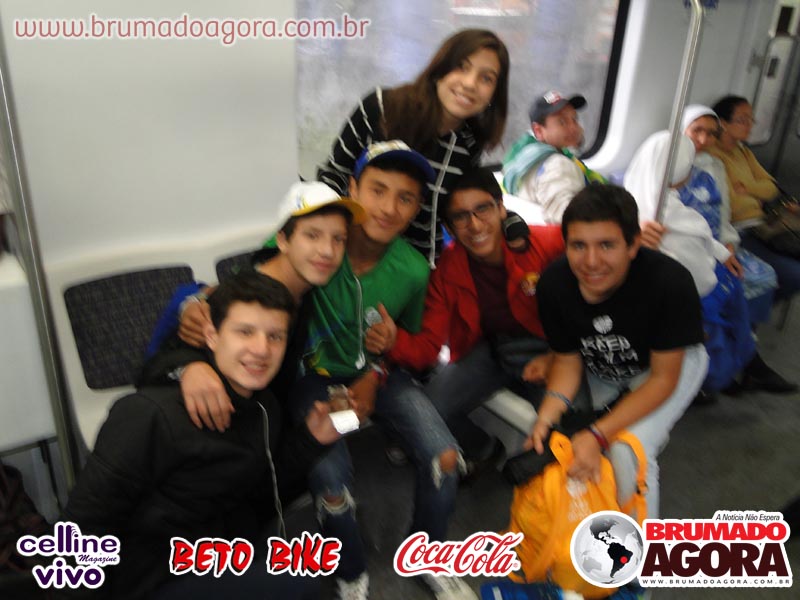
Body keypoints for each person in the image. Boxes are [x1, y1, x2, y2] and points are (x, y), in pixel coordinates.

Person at [63, 272, 342, 599]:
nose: (261, 349)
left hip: (214, 553)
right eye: (244, 332)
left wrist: (310, 439)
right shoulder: (149, 415)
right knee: (299, 585)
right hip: (149, 578)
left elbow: (260, 495)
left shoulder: (264, 409)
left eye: (275, 336)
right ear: (212, 335)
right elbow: (82, 529)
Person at [297, 141, 472, 600]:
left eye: (405, 198)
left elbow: (412, 347)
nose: (390, 208)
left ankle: (428, 553)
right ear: (352, 189)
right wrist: (194, 303)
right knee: (333, 483)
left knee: (445, 458)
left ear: (417, 208)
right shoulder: (315, 240)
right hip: (315, 377)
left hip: (380, 375)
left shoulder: (412, 270)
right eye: (377, 190)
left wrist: (381, 363)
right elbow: (259, 279)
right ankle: (350, 568)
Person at [531, 184, 708, 518]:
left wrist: (598, 434)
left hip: (669, 365)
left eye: (606, 245)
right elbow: (567, 363)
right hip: (605, 368)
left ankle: (641, 549)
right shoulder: (554, 285)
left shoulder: (670, 282)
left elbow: (662, 380)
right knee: (573, 438)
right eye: (578, 246)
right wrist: (546, 415)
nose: (591, 261)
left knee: (627, 450)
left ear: (633, 244)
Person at [139, 181, 363, 431]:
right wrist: (190, 367)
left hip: (260, 426)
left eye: (338, 239)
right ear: (283, 240)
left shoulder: (306, 291)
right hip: (206, 430)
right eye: (312, 235)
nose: (328, 250)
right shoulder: (241, 296)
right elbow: (153, 369)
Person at [381, 167, 564, 471]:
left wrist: (557, 355)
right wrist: (392, 341)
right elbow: (427, 347)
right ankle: (484, 449)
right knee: (428, 411)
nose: (475, 224)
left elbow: (596, 242)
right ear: (450, 227)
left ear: (501, 208)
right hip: (492, 350)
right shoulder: (448, 271)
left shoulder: (540, 242)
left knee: (568, 425)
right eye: (461, 216)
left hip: (551, 349)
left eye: (483, 209)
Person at [318, 28, 518, 267]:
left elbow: (459, 204)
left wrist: (505, 219)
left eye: (486, 78)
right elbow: (335, 174)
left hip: (415, 266)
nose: (470, 84)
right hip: (350, 253)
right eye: (461, 67)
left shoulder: (469, 144)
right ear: (440, 68)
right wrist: (327, 239)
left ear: (494, 94)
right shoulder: (382, 108)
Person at [624, 131, 795, 396]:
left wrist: (723, 253)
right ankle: (726, 370)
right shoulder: (670, 215)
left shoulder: (635, 197)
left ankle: (746, 362)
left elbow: (710, 232)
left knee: (733, 285)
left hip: (681, 280)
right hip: (681, 293)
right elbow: (700, 276)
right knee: (727, 293)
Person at [680, 104, 777, 324]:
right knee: (714, 283)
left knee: (763, 275)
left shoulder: (715, 166)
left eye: (711, 134)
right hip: (687, 244)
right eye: (697, 130)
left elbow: (722, 212)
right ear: (683, 130)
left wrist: (728, 244)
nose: (703, 139)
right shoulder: (669, 162)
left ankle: (741, 331)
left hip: (716, 240)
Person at [709, 95, 800, 301]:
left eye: (751, 119)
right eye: (743, 120)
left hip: (764, 224)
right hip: (741, 230)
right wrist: (755, 197)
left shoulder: (743, 152)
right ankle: (755, 310)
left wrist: (748, 188)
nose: (749, 125)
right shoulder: (713, 156)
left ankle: (760, 304)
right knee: (795, 275)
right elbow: (733, 205)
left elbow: (771, 187)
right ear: (723, 124)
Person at [502, 91, 607, 223]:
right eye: (562, 122)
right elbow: (566, 216)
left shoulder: (525, 161)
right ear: (539, 131)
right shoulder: (557, 165)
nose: (573, 128)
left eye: (574, 119)